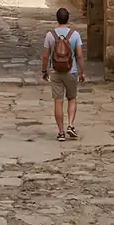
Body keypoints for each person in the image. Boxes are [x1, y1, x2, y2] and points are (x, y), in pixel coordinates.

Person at [40, 7, 86, 142]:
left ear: (57, 19)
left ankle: (61, 132)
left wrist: (44, 70)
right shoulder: (75, 35)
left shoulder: (50, 35)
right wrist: (82, 72)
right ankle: (71, 124)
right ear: (68, 19)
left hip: (55, 72)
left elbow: (45, 55)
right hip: (71, 71)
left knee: (58, 101)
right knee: (72, 98)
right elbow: (79, 55)